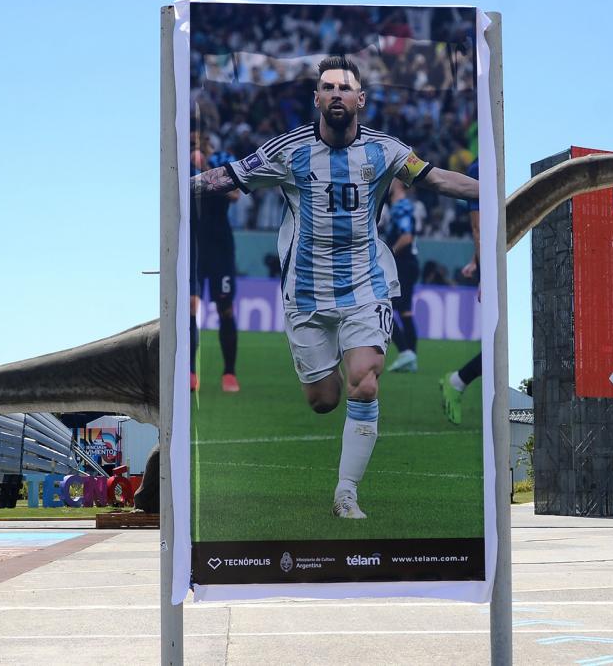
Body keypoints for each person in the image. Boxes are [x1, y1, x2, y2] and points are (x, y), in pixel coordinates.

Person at [190, 55, 478, 519]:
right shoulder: (289, 150)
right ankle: (327, 393)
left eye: (346, 88)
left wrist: (494, 194)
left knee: (364, 382)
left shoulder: (386, 151)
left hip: (365, 284)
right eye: (328, 88)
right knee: (324, 401)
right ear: (318, 99)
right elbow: (230, 175)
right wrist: (179, 186)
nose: (337, 94)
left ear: (361, 99)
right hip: (305, 294)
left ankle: (346, 492)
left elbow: (438, 178)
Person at [189, 132, 242, 393]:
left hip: (220, 248)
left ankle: (229, 372)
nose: (194, 147)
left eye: (197, 142)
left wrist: (205, 170)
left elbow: (235, 195)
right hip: (195, 247)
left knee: (226, 309)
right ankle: (189, 372)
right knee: (191, 307)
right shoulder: (180, 165)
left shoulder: (222, 161)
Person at [441, 158, 482, 425]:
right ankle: (457, 381)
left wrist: (476, 261)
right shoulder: (481, 169)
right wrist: (485, 274)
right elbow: (480, 227)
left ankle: (457, 380)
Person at [383, 179, 420, 373]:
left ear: (397, 183)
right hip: (408, 263)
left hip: (402, 264)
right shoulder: (400, 206)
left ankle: (405, 352)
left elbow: (406, 237)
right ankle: (410, 357)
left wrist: (390, 254)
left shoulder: (401, 206)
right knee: (404, 310)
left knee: (384, 305)